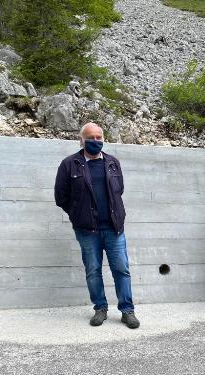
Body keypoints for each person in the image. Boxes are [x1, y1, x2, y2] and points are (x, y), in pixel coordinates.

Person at [54, 122, 140, 329]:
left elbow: (119, 191)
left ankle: (127, 310)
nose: (96, 141)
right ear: (81, 140)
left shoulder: (112, 163)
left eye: (99, 137)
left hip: (114, 228)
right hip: (87, 230)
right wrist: (78, 214)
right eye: (91, 137)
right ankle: (100, 308)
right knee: (93, 270)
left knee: (121, 269)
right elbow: (61, 197)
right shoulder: (69, 164)